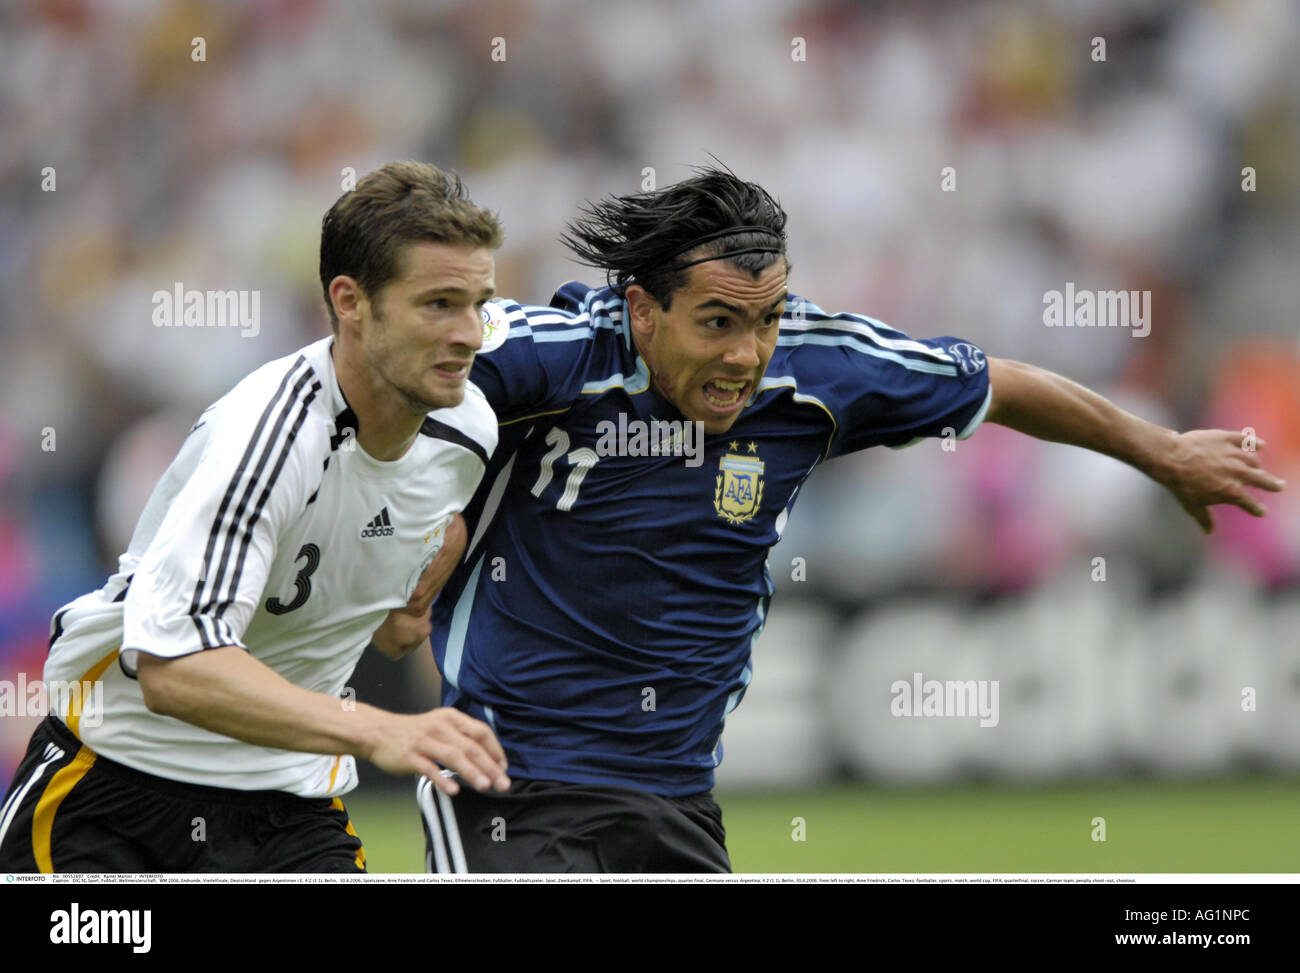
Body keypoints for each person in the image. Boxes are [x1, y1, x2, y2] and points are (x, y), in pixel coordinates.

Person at [388, 166, 1285, 873]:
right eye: (717, 323)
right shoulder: (545, 358)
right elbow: (386, 383)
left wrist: (1161, 453)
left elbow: (999, 384)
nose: (746, 354)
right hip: (508, 784)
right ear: (642, 310)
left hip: (675, 798)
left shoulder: (819, 371)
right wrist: (427, 520)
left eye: (766, 319)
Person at [0, 161, 511, 874]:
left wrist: (410, 593)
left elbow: (437, 525)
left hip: (290, 807)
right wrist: (375, 729)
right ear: (351, 302)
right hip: (116, 791)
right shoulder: (268, 436)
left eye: (478, 304)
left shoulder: (469, 431)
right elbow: (175, 669)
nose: (469, 333)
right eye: (438, 304)